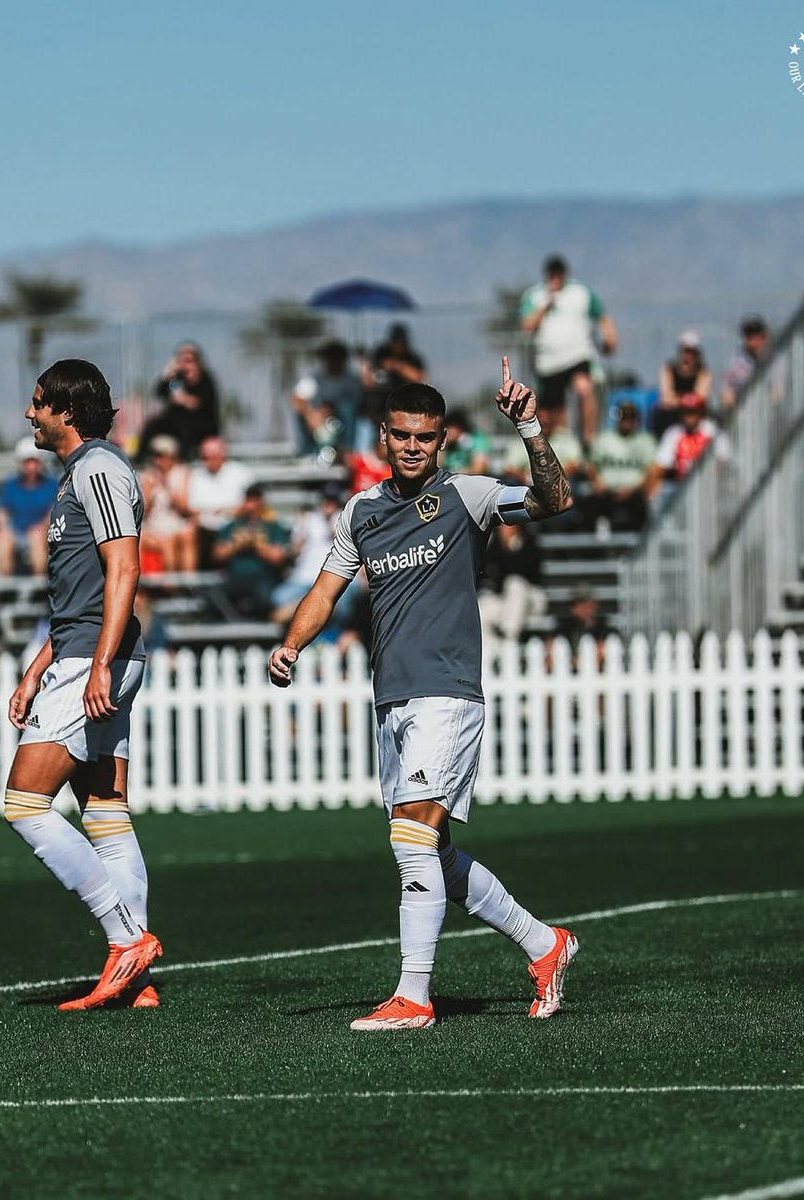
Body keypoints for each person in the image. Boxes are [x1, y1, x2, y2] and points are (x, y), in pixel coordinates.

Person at [268, 360, 578, 1031]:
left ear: (443, 442)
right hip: (393, 699)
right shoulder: (361, 512)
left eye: (426, 437)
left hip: (448, 692)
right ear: (383, 436)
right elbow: (325, 591)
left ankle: (413, 996)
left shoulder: (468, 495)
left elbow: (555, 501)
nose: (413, 446)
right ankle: (544, 944)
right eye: (402, 435)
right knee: (430, 851)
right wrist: (292, 644)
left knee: (410, 836)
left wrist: (527, 425)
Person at [4, 359, 162, 1012]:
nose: (29, 413)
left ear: (66, 411)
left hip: (95, 660)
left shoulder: (98, 468)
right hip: (80, 654)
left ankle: (126, 940)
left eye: (38, 403)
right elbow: (83, 591)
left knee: (24, 806)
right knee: (104, 812)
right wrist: (40, 664)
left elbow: (123, 567)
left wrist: (96, 663)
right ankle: (138, 981)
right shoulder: (87, 471)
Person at [519, 256, 618, 446]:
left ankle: (590, 438)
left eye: (559, 274)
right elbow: (528, 324)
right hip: (548, 363)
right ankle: (564, 446)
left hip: (577, 355)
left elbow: (602, 316)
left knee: (584, 389)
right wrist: (545, 306)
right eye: (552, 275)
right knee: (557, 410)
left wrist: (610, 337)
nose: (556, 278)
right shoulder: (535, 295)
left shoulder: (580, 292)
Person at [271, 482, 360, 636]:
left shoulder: (345, 517)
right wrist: (301, 532)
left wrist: (333, 526)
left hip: (335, 577)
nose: (328, 505)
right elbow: (294, 551)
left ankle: (304, 611)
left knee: (345, 600)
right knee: (278, 596)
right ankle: (311, 609)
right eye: (326, 500)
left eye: (332, 501)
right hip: (304, 578)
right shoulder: (308, 519)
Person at [213, 483, 291, 618]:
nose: (252, 505)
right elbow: (217, 555)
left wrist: (258, 544)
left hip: (262, 577)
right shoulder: (233, 525)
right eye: (249, 499)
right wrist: (237, 544)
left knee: (266, 597)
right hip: (236, 576)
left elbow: (278, 557)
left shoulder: (272, 526)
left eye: (256, 500)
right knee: (213, 597)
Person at [583, 402, 656, 532]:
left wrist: (634, 488)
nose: (627, 421)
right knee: (588, 504)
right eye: (624, 418)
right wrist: (598, 482)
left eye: (631, 417)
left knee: (642, 507)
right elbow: (591, 465)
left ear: (636, 419)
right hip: (605, 492)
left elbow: (651, 470)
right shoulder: (604, 438)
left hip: (635, 494)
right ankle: (596, 545)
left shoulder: (646, 440)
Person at [645, 394, 730, 504]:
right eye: (685, 412)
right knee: (661, 491)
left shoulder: (713, 431)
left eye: (693, 412)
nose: (689, 417)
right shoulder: (674, 433)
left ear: (701, 413)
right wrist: (652, 489)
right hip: (681, 486)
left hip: (710, 485)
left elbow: (723, 462)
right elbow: (660, 465)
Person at [140, 342, 220, 459]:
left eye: (189, 361)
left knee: (184, 422)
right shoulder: (177, 378)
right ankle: (141, 458)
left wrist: (184, 399)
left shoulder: (205, 379)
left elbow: (202, 403)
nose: (185, 365)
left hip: (201, 426)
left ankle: (183, 460)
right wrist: (167, 375)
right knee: (153, 425)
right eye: (182, 361)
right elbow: (159, 392)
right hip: (176, 424)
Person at [0, 438, 59, 576]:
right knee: (3, 537)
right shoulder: (10, 485)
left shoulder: (52, 485)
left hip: (42, 532)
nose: (31, 466)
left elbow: (53, 513)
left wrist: (41, 527)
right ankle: (6, 586)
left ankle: (39, 583)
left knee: (36, 535)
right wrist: (2, 524)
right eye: (27, 461)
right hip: (18, 531)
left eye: (34, 461)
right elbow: (1, 512)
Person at [291, 340, 364, 460]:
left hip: (341, 424)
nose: (334, 362)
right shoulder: (315, 378)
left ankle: (347, 451)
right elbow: (297, 398)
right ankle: (308, 452)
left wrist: (331, 410)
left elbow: (359, 405)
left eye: (338, 358)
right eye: (331, 358)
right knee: (299, 415)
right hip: (319, 423)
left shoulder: (352, 380)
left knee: (347, 408)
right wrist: (310, 414)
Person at [478, 521, 546, 651]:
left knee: (515, 584)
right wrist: (503, 547)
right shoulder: (496, 546)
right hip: (508, 602)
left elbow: (525, 572)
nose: (504, 530)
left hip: (531, 598)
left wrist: (508, 549)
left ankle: (510, 637)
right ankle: (497, 649)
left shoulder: (529, 542)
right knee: (482, 609)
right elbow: (491, 574)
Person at [187, 437, 252, 568]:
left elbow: (250, 503)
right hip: (205, 528)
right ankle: (189, 584)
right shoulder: (196, 475)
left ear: (223, 454)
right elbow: (192, 508)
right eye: (205, 457)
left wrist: (229, 511)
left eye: (214, 456)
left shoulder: (241, 473)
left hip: (234, 525)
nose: (209, 461)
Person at [140, 434, 196, 573]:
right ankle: (153, 587)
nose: (158, 460)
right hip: (155, 524)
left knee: (178, 537)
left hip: (175, 523)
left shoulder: (182, 473)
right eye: (156, 455)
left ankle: (185, 585)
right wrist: (150, 492)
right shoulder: (148, 476)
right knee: (144, 540)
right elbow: (144, 511)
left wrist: (166, 486)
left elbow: (184, 508)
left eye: (162, 455)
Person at [655, 331, 713, 438]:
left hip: (696, 422)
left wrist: (678, 400)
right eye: (686, 351)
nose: (688, 356)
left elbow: (700, 398)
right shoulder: (668, 369)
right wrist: (687, 400)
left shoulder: (704, 372)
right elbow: (666, 399)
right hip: (671, 419)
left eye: (692, 352)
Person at [721, 316, 770, 410]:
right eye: (749, 338)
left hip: (769, 412)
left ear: (764, 338)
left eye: (756, 338)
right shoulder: (736, 360)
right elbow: (726, 391)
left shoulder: (774, 359)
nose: (753, 343)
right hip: (743, 412)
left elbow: (778, 392)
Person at [443, 408, 492, 475]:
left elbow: (479, 469)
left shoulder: (477, 439)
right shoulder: (448, 445)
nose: (448, 432)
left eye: (451, 427)